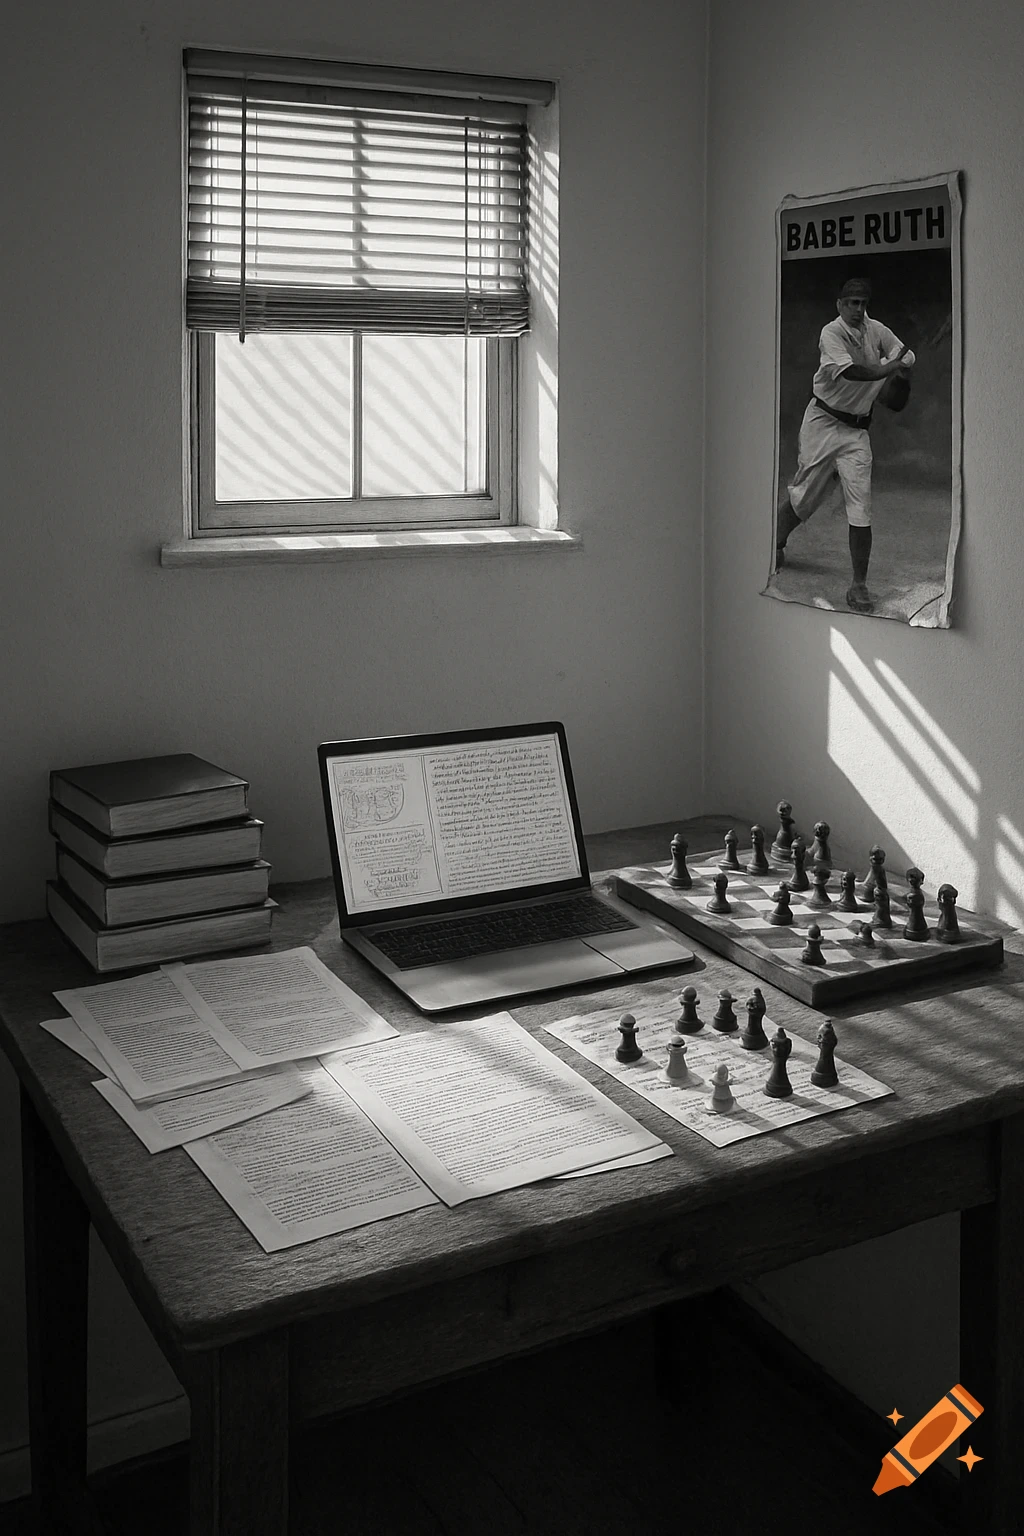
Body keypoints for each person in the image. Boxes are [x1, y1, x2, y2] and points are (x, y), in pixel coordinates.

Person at [775, 277, 915, 613]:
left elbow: (895, 402)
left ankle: (859, 585)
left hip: (856, 433)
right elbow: (852, 373)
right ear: (839, 305)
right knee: (805, 497)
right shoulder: (831, 333)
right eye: (851, 302)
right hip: (822, 422)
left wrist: (905, 374)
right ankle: (775, 542)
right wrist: (891, 366)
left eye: (862, 303)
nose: (857, 309)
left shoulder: (878, 332)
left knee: (860, 504)